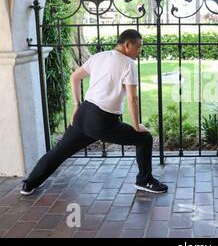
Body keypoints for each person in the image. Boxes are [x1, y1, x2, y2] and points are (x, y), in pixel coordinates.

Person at [21, 30, 167, 195]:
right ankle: (144, 180)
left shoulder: (99, 56)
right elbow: (133, 99)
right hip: (102, 121)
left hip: (83, 114)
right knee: (144, 139)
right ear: (127, 45)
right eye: (138, 47)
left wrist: (76, 105)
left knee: (60, 151)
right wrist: (136, 125)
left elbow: (75, 77)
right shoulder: (128, 63)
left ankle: (29, 184)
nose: (140, 51)